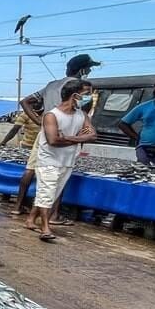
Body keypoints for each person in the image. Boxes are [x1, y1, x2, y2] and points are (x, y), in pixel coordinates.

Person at [26, 79, 97, 242]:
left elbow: (92, 135)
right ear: (75, 95)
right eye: (86, 94)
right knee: (48, 193)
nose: (89, 97)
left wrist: (69, 138)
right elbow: (53, 140)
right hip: (49, 161)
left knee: (50, 194)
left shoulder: (81, 115)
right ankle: (45, 228)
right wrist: (78, 138)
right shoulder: (52, 115)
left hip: (67, 161)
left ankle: (31, 219)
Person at [119, 75, 155, 165]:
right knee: (144, 175)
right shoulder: (144, 106)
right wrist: (137, 138)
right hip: (145, 151)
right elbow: (123, 124)